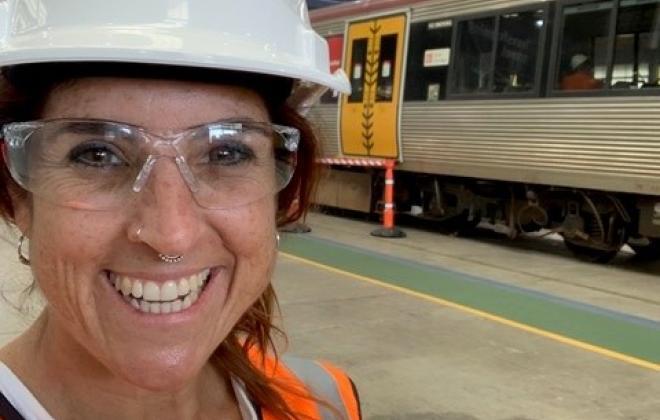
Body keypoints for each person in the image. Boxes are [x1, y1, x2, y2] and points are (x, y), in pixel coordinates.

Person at [0, 0, 358, 419]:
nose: (172, 235)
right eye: (98, 155)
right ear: (17, 195)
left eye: (226, 152)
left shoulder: (323, 402)